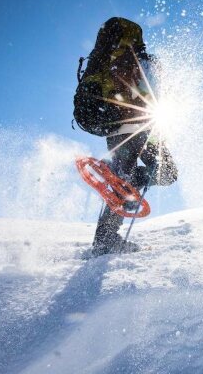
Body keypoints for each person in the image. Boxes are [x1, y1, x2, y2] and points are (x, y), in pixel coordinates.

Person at [74, 17, 178, 256]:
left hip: (119, 128)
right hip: (139, 129)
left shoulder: (108, 61)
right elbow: (157, 97)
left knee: (156, 175)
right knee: (162, 173)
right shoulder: (143, 61)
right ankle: (105, 241)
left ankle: (121, 184)